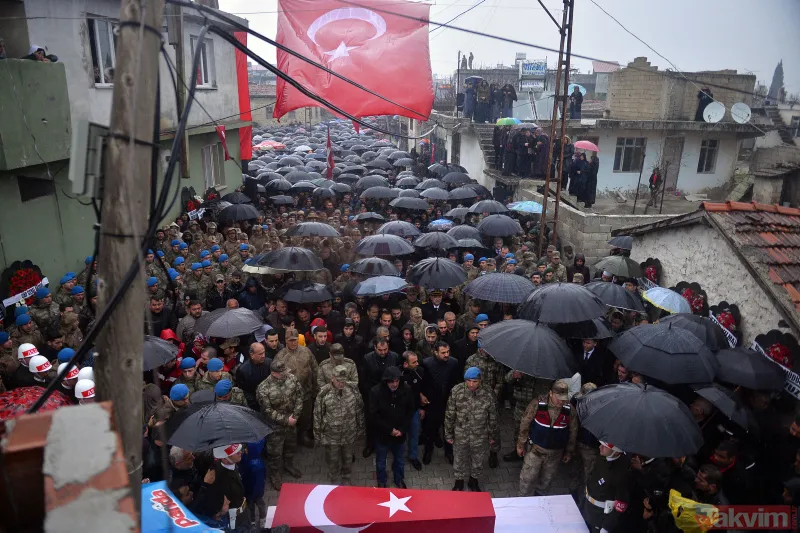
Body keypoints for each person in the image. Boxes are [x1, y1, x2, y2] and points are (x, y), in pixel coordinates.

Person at [445, 367, 498, 492]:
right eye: (468, 381)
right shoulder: (457, 391)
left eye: (474, 381)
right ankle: (459, 481)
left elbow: (493, 417)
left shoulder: (488, 393)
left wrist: (492, 436)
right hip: (461, 433)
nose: (471, 384)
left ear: (480, 380)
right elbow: (450, 414)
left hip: (480, 434)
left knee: (478, 459)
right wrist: (448, 434)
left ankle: (474, 481)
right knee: (459, 458)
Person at [314, 365, 365, 485]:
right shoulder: (324, 393)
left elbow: (359, 410)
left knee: (348, 458)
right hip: (331, 435)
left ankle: (346, 477)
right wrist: (317, 435)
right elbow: (317, 415)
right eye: (338, 381)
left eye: (343, 381)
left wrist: (361, 429)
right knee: (333, 459)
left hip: (349, 433)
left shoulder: (353, 390)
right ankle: (334, 478)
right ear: (332, 378)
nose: (341, 384)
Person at [257, 360, 303, 491]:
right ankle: (275, 474)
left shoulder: (292, 378)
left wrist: (295, 416)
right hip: (275, 427)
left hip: (292, 422)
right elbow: (267, 411)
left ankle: (289, 465)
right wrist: (285, 420)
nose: (285, 374)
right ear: (273, 373)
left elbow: (300, 396)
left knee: (290, 446)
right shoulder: (263, 388)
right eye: (282, 373)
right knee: (275, 453)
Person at [369, 366, 414, 489]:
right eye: (392, 381)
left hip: (399, 435)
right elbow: (373, 416)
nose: (395, 384)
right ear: (385, 381)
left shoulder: (406, 389)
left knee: (399, 461)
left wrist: (402, 429)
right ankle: (382, 481)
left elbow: (410, 410)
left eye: (397, 381)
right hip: (383, 435)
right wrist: (390, 430)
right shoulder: (375, 392)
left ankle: (399, 479)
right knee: (381, 461)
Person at [273, 328, 318, 447]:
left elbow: (315, 369)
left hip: (306, 393)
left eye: (295, 340)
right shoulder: (280, 356)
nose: (293, 342)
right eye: (290, 340)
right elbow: (275, 377)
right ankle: (291, 441)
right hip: (289, 396)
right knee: (291, 419)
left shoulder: (306, 351)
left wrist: (315, 389)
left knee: (305, 418)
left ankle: (302, 436)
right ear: (286, 340)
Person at [421, 341, 460, 465]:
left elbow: (457, 382)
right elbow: (423, 383)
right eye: (443, 352)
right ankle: (428, 451)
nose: (446, 354)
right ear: (435, 352)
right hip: (432, 402)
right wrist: (421, 396)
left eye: (448, 352)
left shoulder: (454, 363)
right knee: (430, 429)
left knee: (449, 429)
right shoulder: (426, 364)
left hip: (449, 402)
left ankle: (449, 452)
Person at [582, 441, 631, 533]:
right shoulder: (601, 458)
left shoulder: (621, 474)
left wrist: (606, 527)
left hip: (600, 518)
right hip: (588, 510)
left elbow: (621, 503)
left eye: (605, 446)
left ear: (616, 452)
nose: (600, 447)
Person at [193, 444, 245, 529]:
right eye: (234, 452)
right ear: (224, 458)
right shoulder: (216, 476)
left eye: (239, 450)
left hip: (242, 515)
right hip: (231, 521)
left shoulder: (234, 464)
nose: (240, 452)